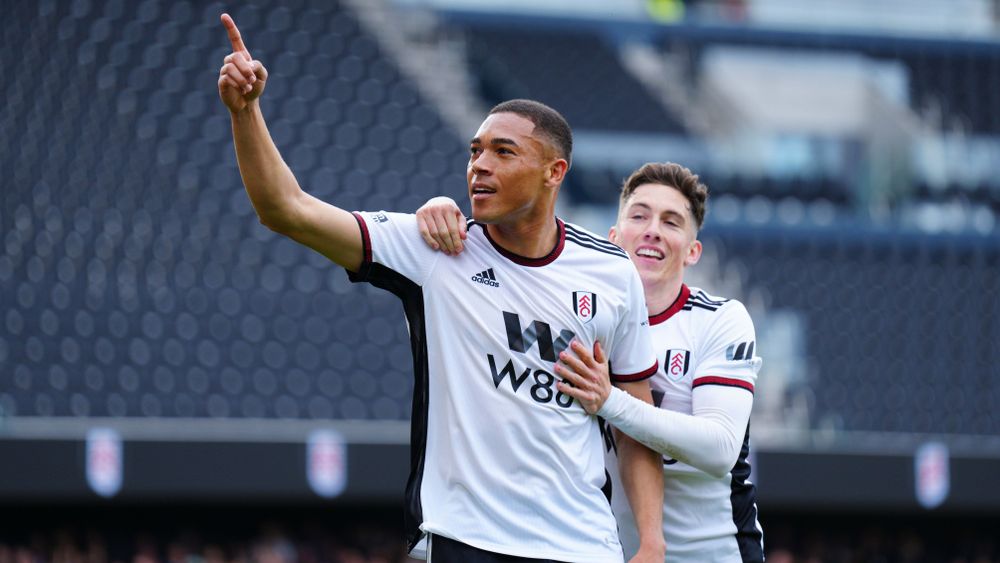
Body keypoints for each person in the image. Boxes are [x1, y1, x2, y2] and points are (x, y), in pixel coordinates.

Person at [216, 14, 667, 563]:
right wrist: (246, 112)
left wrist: (650, 541)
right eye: (475, 150)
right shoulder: (433, 249)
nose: (479, 165)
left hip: (582, 547)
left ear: (555, 172)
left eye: (503, 152)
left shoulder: (611, 272)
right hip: (464, 542)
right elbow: (287, 210)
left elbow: (637, 421)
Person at [417, 162, 765, 562]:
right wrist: (440, 208)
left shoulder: (719, 320)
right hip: (606, 550)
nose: (652, 229)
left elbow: (721, 448)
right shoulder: (574, 316)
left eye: (671, 222)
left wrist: (611, 401)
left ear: (693, 251)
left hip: (714, 555)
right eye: (639, 215)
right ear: (614, 238)